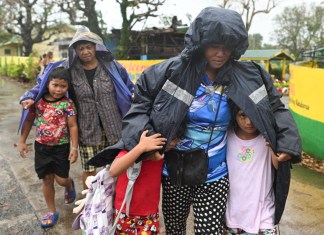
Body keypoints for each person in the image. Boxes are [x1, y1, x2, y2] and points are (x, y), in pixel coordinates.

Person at [103, 7, 302, 235]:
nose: (220, 53)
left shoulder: (251, 75)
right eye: (213, 46)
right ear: (200, 43)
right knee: (175, 229)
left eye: (226, 46)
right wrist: (147, 142)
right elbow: (141, 103)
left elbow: (276, 108)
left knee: (209, 231)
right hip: (175, 172)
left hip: (216, 175)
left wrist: (287, 142)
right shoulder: (171, 71)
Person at [19, 27, 134, 189]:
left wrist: (135, 95)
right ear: (75, 50)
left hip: (115, 128)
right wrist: (29, 96)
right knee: (89, 170)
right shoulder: (69, 69)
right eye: (81, 48)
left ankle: (114, 203)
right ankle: (88, 208)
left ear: (95, 47)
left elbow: (129, 86)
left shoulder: (112, 66)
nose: (85, 51)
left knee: (117, 167)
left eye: (89, 47)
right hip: (87, 129)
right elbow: (44, 82)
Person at [18, 67, 78, 228]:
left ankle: (69, 184)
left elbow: (72, 126)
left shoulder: (68, 104)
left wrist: (74, 147)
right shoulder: (38, 102)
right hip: (42, 147)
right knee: (46, 178)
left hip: (61, 148)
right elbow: (29, 121)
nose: (58, 89)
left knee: (61, 179)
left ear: (67, 87)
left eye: (63, 86)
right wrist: (22, 141)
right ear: (48, 84)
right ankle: (51, 211)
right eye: (55, 85)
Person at [224, 102, 279, 235]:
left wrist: (273, 147)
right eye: (243, 115)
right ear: (234, 115)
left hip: (263, 217)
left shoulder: (266, 138)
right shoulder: (227, 135)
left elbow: (279, 167)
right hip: (233, 217)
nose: (249, 122)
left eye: (253, 115)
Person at [109, 130, 166, 234]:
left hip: (150, 215)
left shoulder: (161, 154)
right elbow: (113, 171)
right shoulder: (129, 150)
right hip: (124, 213)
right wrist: (141, 148)